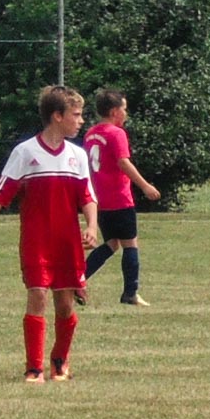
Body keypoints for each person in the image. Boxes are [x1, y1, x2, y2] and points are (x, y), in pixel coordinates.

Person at [0, 85, 98, 383]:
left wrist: (92, 226)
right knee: (38, 295)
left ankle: (59, 361)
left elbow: (87, 196)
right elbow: (2, 192)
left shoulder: (77, 156)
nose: (81, 121)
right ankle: (34, 368)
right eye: (76, 115)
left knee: (64, 305)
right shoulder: (26, 152)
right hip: (37, 241)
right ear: (57, 116)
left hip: (67, 243)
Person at [81, 89, 160, 307]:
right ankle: (130, 293)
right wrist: (145, 186)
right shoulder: (116, 133)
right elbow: (123, 162)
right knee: (130, 244)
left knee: (112, 244)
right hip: (119, 198)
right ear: (115, 111)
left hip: (100, 200)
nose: (126, 113)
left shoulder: (91, 134)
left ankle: (78, 279)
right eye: (124, 109)